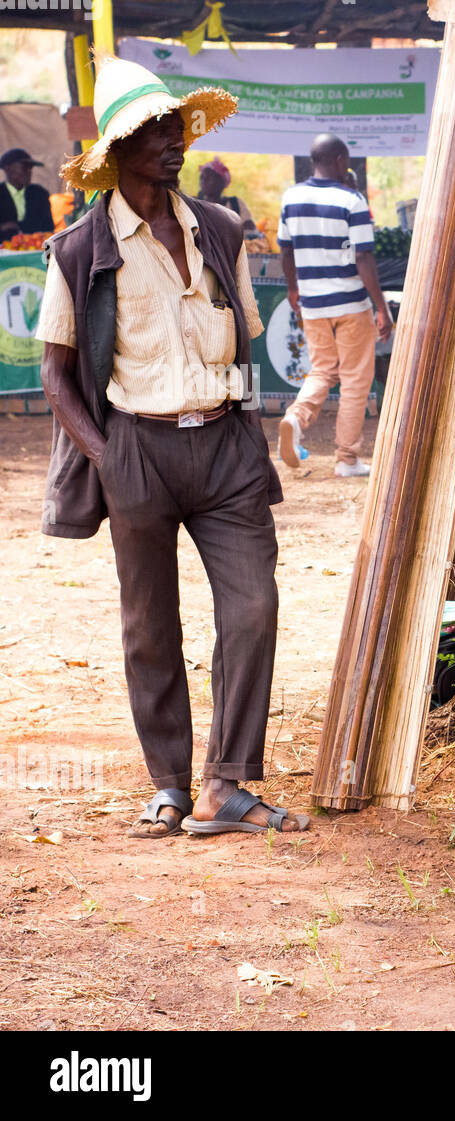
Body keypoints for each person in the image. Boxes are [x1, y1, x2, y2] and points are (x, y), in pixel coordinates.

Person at [34, 56, 307, 838]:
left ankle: (227, 783)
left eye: (175, 125)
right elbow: (55, 373)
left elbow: (246, 348)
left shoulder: (221, 230)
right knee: (150, 626)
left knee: (254, 607)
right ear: (116, 153)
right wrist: (105, 453)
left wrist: (249, 438)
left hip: (223, 448)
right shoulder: (78, 250)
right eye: (152, 130)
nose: (172, 140)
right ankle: (170, 783)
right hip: (136, 452)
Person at [277, 133, 393, 477]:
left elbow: (285, 250)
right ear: (341, 160)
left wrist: (293, 289)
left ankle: (296, 419)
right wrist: (381, 306)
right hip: (350, 303)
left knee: (323, 370)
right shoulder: (351, 200)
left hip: (313, 303)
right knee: (356, 379)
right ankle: (347, 459)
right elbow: (364, 255)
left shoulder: (291, 197)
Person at [0, 147, 55, 237]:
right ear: (8, 168)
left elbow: (48, 227)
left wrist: (16, 226)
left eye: (30, 168)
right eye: (24, 166)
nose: (29, 171)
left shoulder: (40, 193)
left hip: (35, 247)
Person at [196, 157, 257, 235]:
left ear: (222, 182)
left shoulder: (235, 204)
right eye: (202, 178)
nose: (203, 181)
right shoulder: (195, 204)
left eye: (209, 178)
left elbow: (250, 227)